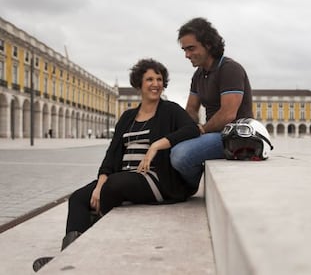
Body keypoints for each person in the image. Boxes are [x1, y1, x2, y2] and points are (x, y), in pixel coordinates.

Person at [33, 58, 200, 272]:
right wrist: (101, 180)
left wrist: (157, 145)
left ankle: (86, 244)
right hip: (123, 177)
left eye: (159, 79)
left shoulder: (170, 110)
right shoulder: (128, 116)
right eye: (149, 79)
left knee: (114, 186)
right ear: (139, 84)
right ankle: (68, 257)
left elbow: (192, 130)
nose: (155, 83)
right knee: (78, 198)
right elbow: (112, 153)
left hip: (157, 180)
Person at [170, 17, 253, 189]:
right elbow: (191, 109)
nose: (186, 55)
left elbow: (228, 114)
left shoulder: (230, 69)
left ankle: (188, 187)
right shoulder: (199, 74)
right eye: (184, 50)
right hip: (213, 134)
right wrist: (179, 129)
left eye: (191, 48)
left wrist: (202, 129)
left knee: (180, 155)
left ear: (208, 44)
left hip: (235, 135)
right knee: (167, 145)